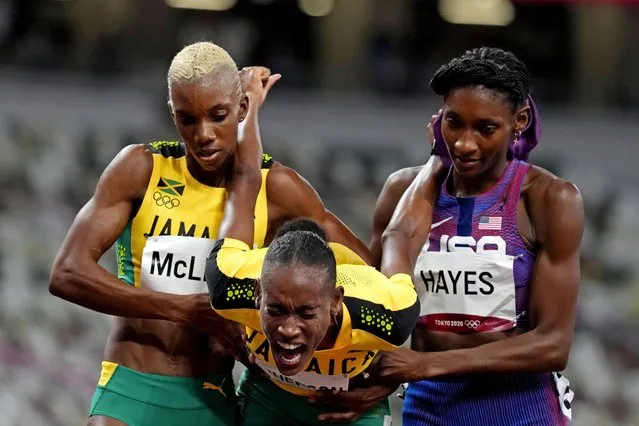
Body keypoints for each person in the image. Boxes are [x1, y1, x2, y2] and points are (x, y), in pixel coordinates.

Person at [48, 42, 371, 426]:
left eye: (218, 116)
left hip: (212, 396)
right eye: (187, 119)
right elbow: (66, 274)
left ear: (242, 109)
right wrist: (181, 308)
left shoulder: (278, 187)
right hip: (131, 384)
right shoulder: (140, 169)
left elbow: (368, 273)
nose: (203, 134)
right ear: (172, 114)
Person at [372, 47, 583, 425]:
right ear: (438, 120)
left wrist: (428, 364)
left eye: (486, 129)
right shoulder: (401, 191)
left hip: (519, 409)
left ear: (518, 120)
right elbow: (375, 289)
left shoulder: (548, 199)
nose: (465, 144)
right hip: (427, 407)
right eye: (454, 123)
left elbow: (553, 344)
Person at [203, 95, 434, 425]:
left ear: (335, 302)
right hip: (269, 397)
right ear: (257, 293)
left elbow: (400, 237)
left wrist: (438, 159)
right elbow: (245, 180)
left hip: (350, 409)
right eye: (276, 310)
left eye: (307, 313)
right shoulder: (230, 284)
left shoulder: (385, 312)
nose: (288, 329)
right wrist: (249, 104)